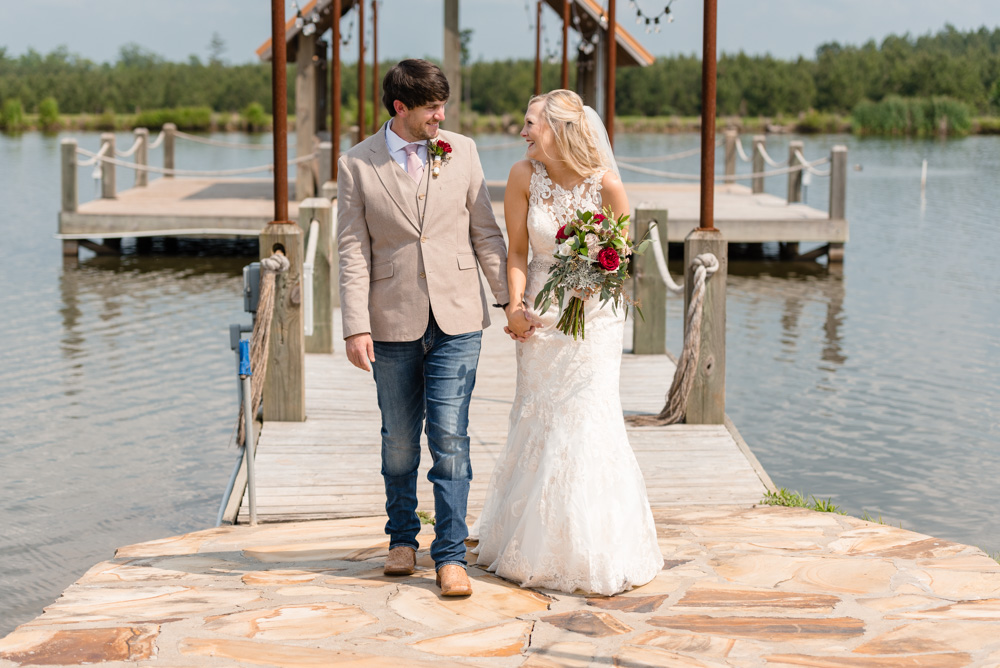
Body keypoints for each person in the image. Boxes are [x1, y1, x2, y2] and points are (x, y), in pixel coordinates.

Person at [472, 90, 664, 595]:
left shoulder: (608, 186)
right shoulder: (521, 177)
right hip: (536, 314)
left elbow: (617, 262)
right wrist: (514, 308)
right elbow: (516, 250)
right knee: (538, 414)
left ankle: (593, 545)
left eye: (531, 122)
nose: (523, 131)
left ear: (557, 130)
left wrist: (581, 289)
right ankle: (529, 540)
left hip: (593, 319)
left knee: (586, 416)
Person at [337, 59, 510, 597]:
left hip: (459, 318)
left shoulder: (463, 150)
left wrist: (510, 300)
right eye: (431, 108)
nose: (441, 115)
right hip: (390, 320)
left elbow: (486, 232)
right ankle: (402, 539)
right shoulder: (356, 163)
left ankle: (450, 555)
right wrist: (354, 326)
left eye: (443, 105)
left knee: (450, 438)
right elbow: (350, 248)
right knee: (398, 443)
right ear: (400, 108)